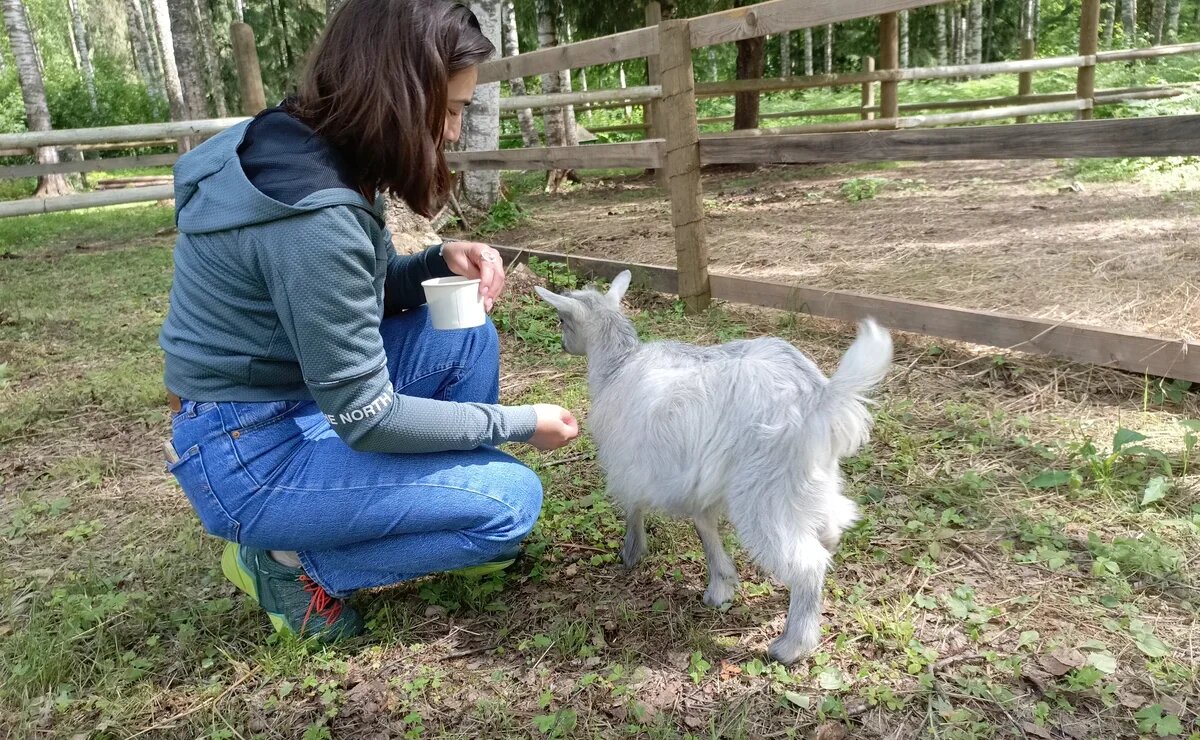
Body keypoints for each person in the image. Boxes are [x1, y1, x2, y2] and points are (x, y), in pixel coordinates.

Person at [159, 0, 580, 642]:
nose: (455, 133)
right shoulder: (314, 219)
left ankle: (431, 507)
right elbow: (367, 416)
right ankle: (289, 563)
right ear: (401, 91)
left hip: (291, 398)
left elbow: (367, 292)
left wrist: (439, 260)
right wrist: (518, 423)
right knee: (508, 505)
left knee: (462, 336)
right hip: (251, 451)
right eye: (454, 109)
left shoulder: (307, 146)